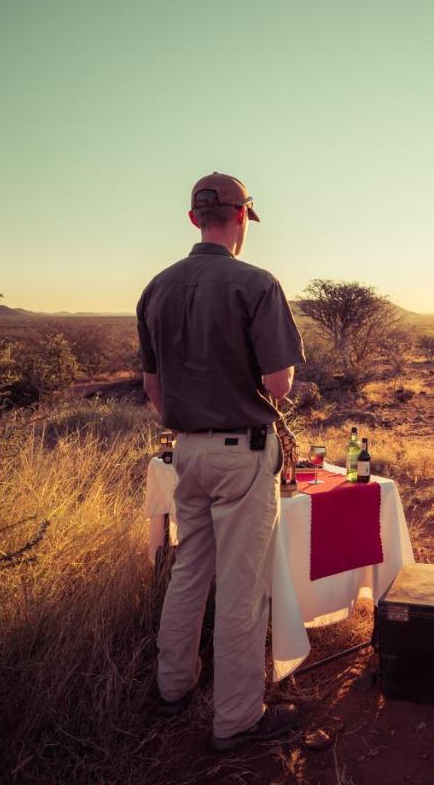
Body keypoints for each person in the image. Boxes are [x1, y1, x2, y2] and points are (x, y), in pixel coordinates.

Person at [136, 172, 305, 750]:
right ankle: (237, 720)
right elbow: (279, 385)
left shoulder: (156, 287)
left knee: (188, 572)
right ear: (242, 219)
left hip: (185, 451)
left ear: (193, 219)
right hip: (243, 452)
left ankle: (173, 686)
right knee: (242, 589)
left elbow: (153, 390)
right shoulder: (256, 283)